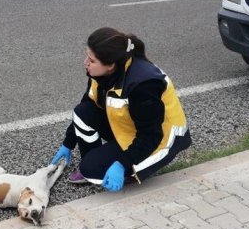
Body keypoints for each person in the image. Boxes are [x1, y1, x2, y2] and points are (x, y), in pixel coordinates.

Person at [51, 27, 191, 192]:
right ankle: (97, 163)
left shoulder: (143, 85)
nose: (85, 62)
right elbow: (87, 104)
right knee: (83, 111)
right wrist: (68, 144)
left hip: (161, 140)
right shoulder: (103, 73)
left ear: (110, 65)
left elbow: (151, 136)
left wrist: (122, 164)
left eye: (92, 60)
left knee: (91, 170)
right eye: (87, 56)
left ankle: (122, 172)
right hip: (132, 128)